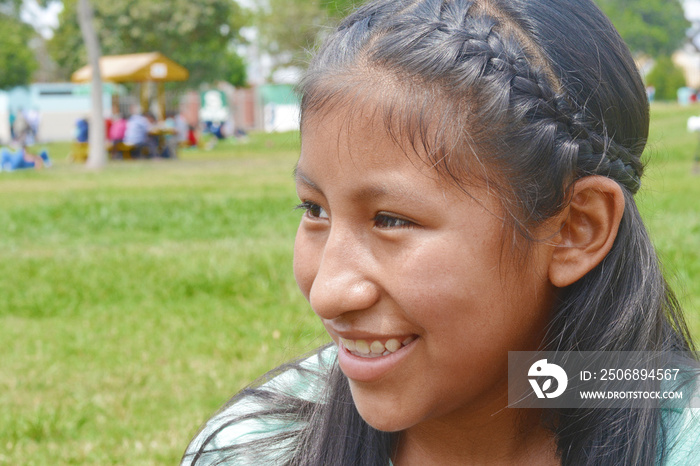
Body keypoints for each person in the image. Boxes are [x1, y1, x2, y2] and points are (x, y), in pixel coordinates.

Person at [182, 0, 700, 464]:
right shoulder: (254, 447)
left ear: (573, 230)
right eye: (314, 209)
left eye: (391, 220)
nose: (327, 293)